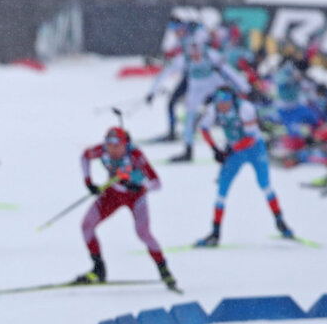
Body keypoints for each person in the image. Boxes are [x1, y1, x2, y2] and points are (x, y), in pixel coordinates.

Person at [76, 127, 177, 290]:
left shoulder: (135, 155)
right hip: (113, 194)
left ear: (125, 144)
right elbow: (84, 156)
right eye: (109, 145)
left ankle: (163, 269)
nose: (113, 149)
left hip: (136, 198)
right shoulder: (102, 150)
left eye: (117, 145)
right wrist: (88, 183)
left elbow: (157, 183)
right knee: (86, 226)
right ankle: (98, 269)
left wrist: (140, 187)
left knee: (143, 233)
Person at [195, 87, 294, 247]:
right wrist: (215, 149)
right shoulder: (213, 108)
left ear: (232, 101)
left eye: (225, 103)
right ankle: (215, 232)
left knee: (265, 185)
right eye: (220, 103)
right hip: (236, 151)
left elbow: (251, 138)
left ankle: (280, 222)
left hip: (254, 149)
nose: (222, 107)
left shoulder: (245, 108)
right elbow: (204, 128)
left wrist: (230, 149)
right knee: (222, 189)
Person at [147, 36, 249, 163]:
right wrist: (152, 92)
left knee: (227, 112)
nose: (195, 56)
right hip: (196, 88)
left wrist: (245, 87)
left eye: (197, 52)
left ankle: (236, 144)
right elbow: (166, 73)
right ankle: (188, 150)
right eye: (192, 53)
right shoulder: (183, 59)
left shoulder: (210, 54)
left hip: (214, 85)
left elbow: (229, 71)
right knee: (190, 117)